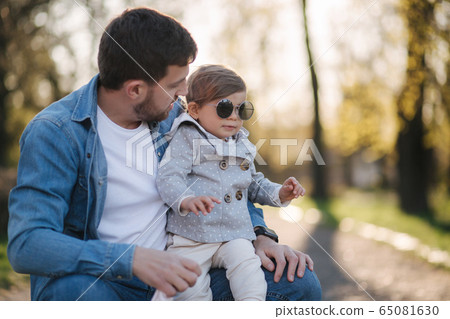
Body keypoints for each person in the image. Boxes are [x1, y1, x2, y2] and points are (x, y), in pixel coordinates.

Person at [7, 7, 321, 301]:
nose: (185, 93)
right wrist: (130, 259)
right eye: (175, 85)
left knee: (297, 282)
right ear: (135, 90)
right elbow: (27, 243)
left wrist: (260, 235)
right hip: (104, 282)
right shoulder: (56, 133)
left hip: (184, 267)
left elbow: (230, 177)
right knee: (70, 293)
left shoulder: (175, 118)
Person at [153, 64, 306, 301]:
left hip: (234, 234)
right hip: (192, 236)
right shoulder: (186, 135)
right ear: (194, 109)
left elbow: (253, 184)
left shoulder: (241, 143)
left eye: (242, 109)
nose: (234, 117)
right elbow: (169, 176)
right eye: (224, 108)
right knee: (189, 292)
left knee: (250, 278)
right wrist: (186, 199)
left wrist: (280, 193)